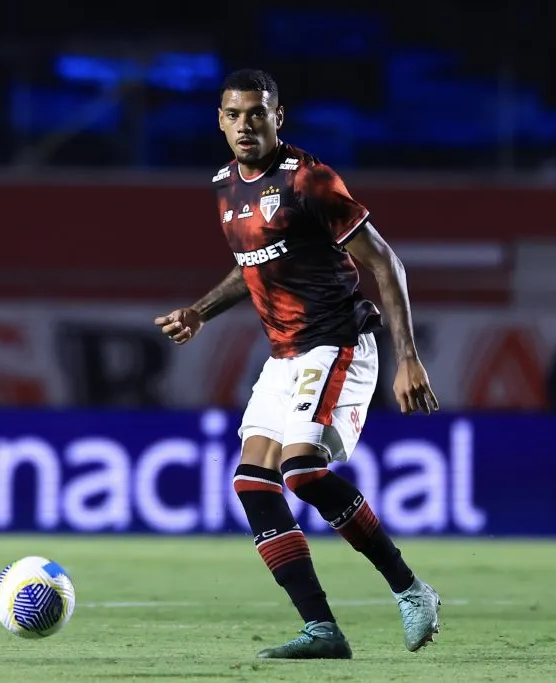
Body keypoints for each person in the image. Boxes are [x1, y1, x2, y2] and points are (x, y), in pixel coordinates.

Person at [154, 69, 442, 660]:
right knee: (251, 484)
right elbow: (253, 265)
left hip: (338, 342)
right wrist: (201, 311)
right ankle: (322, 631)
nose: (245, 125)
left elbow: (385, 262)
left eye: (257, 114)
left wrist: (408, 358)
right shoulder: (225, 186)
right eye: (234, 115)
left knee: (303, 471)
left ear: (277, 117)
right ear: (219, 121)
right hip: (284, 355)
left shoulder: (309, 180)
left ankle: (411, 590)